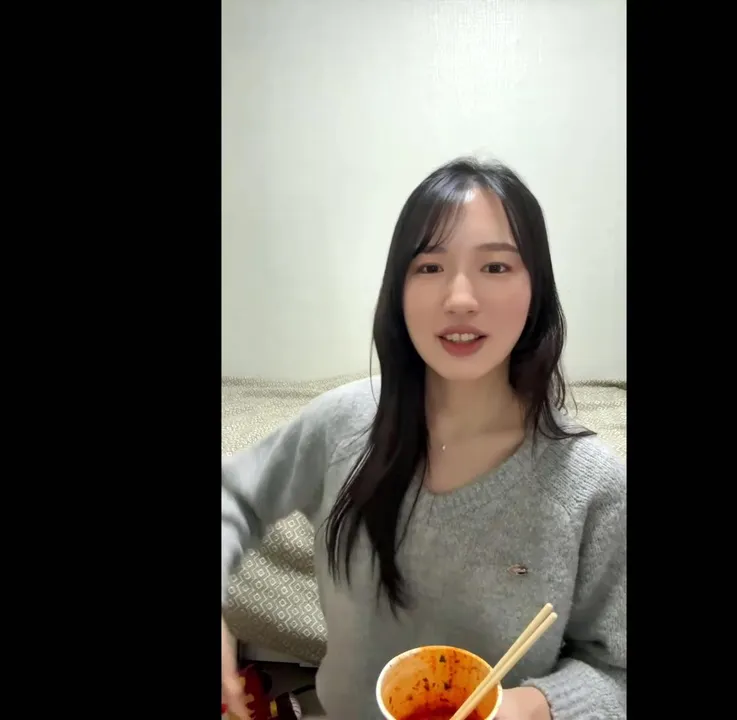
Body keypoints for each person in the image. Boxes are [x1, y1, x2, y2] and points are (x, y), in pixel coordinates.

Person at [221, 158, 626, 719]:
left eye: (495, 266)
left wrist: (533, 705)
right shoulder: (343, 423)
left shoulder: (595, 486)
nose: (460, 297)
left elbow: (616, 671)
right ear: (399, 289)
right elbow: (233, 494)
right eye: (430, 267)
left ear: (537, 288)